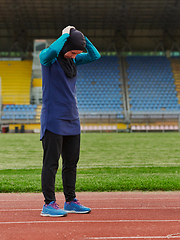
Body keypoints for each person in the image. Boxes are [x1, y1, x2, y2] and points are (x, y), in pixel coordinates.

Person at [39, 26, 100, 217]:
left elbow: (94, 55)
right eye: (73, 52)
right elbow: (52, 51)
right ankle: (48, 204)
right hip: (53, 119)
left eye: (77, 53)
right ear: (65, 46)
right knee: (51, 163)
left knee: (71, 162)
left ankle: (71, 201)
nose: (75, 56)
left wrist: (81, 38)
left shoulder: (72, 61)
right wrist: (65, 35)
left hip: (72, 118)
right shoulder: (48, 59)